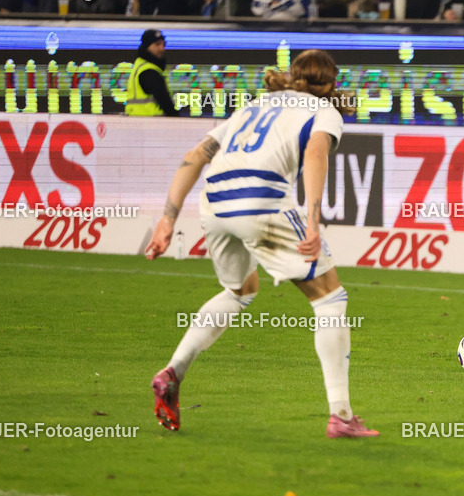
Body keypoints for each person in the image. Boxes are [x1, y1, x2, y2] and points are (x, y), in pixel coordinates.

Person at [145, 49, 379, 438]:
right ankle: (341, 415)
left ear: (294, 76)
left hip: (215, 201)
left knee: (239, 290)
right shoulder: (324, 112)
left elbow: (195, 156)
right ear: (332, 83)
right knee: (330, 299)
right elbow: (316, 153)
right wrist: (312, 219)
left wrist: (167, 220)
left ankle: (173, 370)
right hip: (260, 200)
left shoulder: (256, 104)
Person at [126, 29, 177, 116]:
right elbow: (166, 104)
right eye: (157, 44)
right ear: (147, 46)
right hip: (152, 124)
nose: (162, 48)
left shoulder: (140, 66)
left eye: (163, 44)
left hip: (138, 122)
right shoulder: (150, 72)